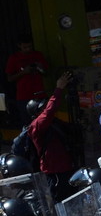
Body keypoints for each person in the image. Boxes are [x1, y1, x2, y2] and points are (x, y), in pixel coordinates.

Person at [27, 71, 78, 200]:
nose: (45, 109)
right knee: (61, 202)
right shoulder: (36, 125)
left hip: (67, 167)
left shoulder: (54, 123)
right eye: (42, 108)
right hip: (55, 172)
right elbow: (50, 111)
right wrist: (59, 89)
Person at [5, 34, 48, 126]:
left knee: (44, 122)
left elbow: (46, 73)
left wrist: (40, 67)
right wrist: (24, 72)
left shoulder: (38, 55)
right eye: (25, 47)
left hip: (40, 95)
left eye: (30, 46)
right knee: (28, 124)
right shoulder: (14, 58)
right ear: (19, 46)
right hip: (24, 97)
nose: (28, 49)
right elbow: (9, 78)